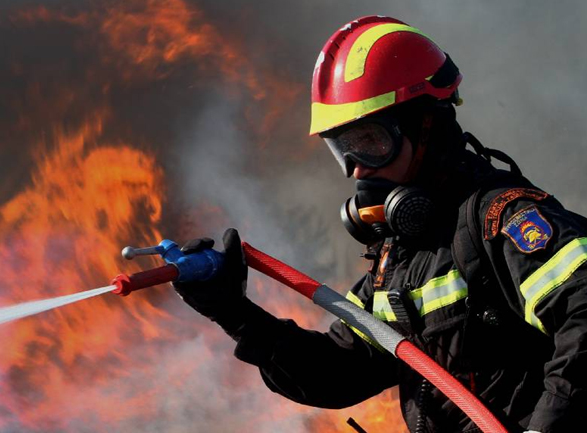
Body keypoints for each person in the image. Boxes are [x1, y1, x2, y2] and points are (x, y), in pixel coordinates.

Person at [173, 16, 587, 433]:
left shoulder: (500, 218)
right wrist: (235, 313)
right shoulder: (398, 258)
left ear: (427, 124)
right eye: (345, 150)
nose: (356, 172)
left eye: (371, 143)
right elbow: (337, 372)